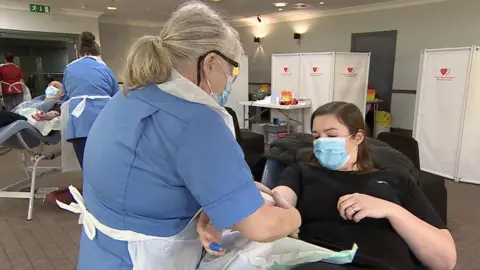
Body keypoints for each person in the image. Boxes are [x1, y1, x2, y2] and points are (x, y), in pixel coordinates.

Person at [56, 2, 301, 270]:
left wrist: (215, 206)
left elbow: (153, 176)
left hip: (101, 254)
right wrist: (294, 217)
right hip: (146, 259)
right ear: (210, 63)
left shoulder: (125, 99)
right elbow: (261, 226)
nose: (230, 80)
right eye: (232, 70)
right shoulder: (198, 121)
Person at [269, 102, 456, 270]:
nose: (321, 143)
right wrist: (270, 205)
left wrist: (391, 210)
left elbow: (445, 260)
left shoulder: (395, 178)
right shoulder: (302, 172)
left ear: (358, 137)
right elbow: (279, 199)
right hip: (322, 262)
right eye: (316, 136)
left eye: (331, 135)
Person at [62, 31, 120, 169]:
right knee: (105, 160)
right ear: (98, 53)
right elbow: (116, 94)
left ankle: (89, 185)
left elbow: (66, 93)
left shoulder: (69, 68)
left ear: (80, 53)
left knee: (85, 162)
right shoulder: (104, 68)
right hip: (103, 118)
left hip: (79, 118)